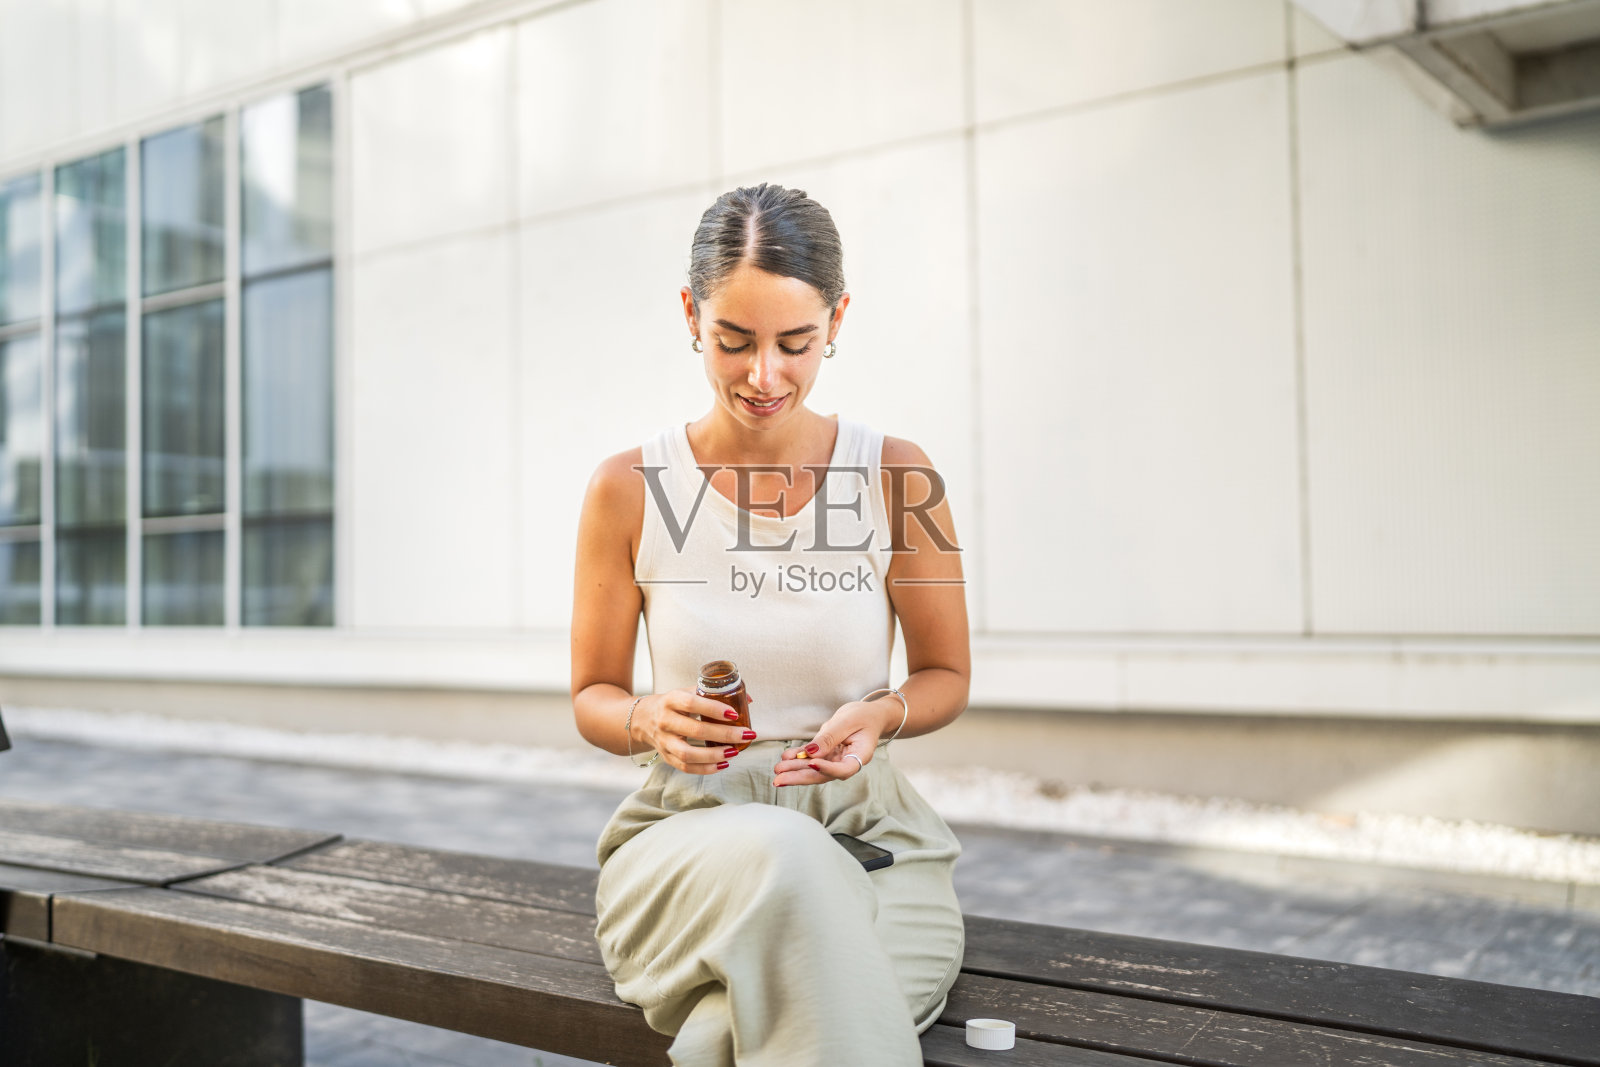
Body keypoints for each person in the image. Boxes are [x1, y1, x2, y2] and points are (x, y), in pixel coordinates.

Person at [569, 182, 970, 1065]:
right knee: (788, 860)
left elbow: (946, 675)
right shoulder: (626, 488)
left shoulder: (901, 475)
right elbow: (591, 697)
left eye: (795, 343)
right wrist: (643, 717)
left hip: (873, 841)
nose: (764, 375)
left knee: (735, 1035)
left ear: (837, 320)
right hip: (689, 840)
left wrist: (881, 715)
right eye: (734, 341)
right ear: (690, 315)